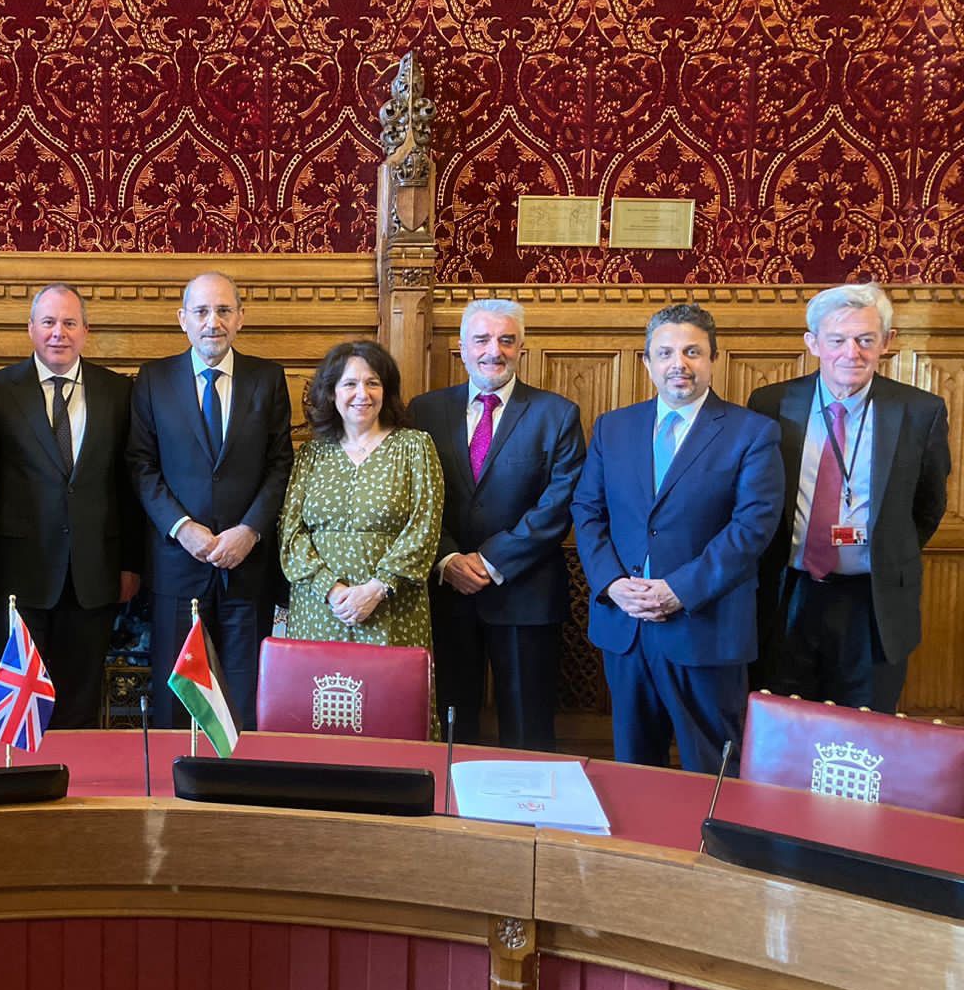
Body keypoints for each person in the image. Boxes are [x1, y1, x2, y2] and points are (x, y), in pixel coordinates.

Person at [571, 304, 784, 774]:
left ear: (713, 359)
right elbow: (587, 510)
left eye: (692, 351)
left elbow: (752, 526)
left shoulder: (752, 432)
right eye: (665, 353)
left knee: (712, 770)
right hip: (626, 625)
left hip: (705, 625)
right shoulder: (613, 427)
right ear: (647, 362)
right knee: (633, 768)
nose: (678, 364)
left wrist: (679, 590)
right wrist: (611, 583)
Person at [747, 284, 951, 713]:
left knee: (865, 730)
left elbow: (928, 505)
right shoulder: (771, 404)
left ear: (887, 342)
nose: (851, 353)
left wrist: (885, 549)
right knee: (783, 725)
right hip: (788, 592)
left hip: (873, 601)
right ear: (813, 343)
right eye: (837, 340)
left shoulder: (920, 411)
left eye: (865, 339)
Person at [408, 300, 584, 750]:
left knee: (528, 732)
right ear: (462, 348)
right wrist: (447, 557)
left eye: (506, 340)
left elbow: (559, 503)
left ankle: (526, 801)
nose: (494, 351)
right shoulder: (424, 411)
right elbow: (412, 498)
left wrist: (490, 561)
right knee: (450, 727)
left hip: (525, 593)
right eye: (482, 340)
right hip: (446, 592)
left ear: (521, 347)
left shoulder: (556, 414)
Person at [0, 284, 143, 728]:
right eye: (48, 322)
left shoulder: (118, 392)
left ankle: (77, 772)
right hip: (15, 574)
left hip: (93, 574)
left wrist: (130, 563)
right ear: (31, 328)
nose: (58, 333)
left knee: (79, 703)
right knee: (18, 707)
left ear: (86, 330)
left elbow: (128, 486)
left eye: (69, 323)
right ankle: (20, 772)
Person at [128, 271, 293, 728]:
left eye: (223, 310)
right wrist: (182, 528)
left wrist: (250, 530)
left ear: (241, 317)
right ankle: (174, 776)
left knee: (243, 702)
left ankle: (239, 776)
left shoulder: (267, 378)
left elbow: (281, 464)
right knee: (177, 701)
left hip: (247, 568)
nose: (212, 322)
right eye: (201, 311)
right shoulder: (153, 379)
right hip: (178, 566)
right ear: (182, 319)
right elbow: (140, 465)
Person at [280, 342, 443, 663]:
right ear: (332, 393)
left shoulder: (415, 446)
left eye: (372, 383)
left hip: (392, 607)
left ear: (386, 390)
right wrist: (331, 589)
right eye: (350, 384)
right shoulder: (312, 454)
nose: (362, 394)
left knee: (387, 692)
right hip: (320, 609)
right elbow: (290, 533)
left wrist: (377, 588)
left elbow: (424, 528)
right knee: (321, 692)